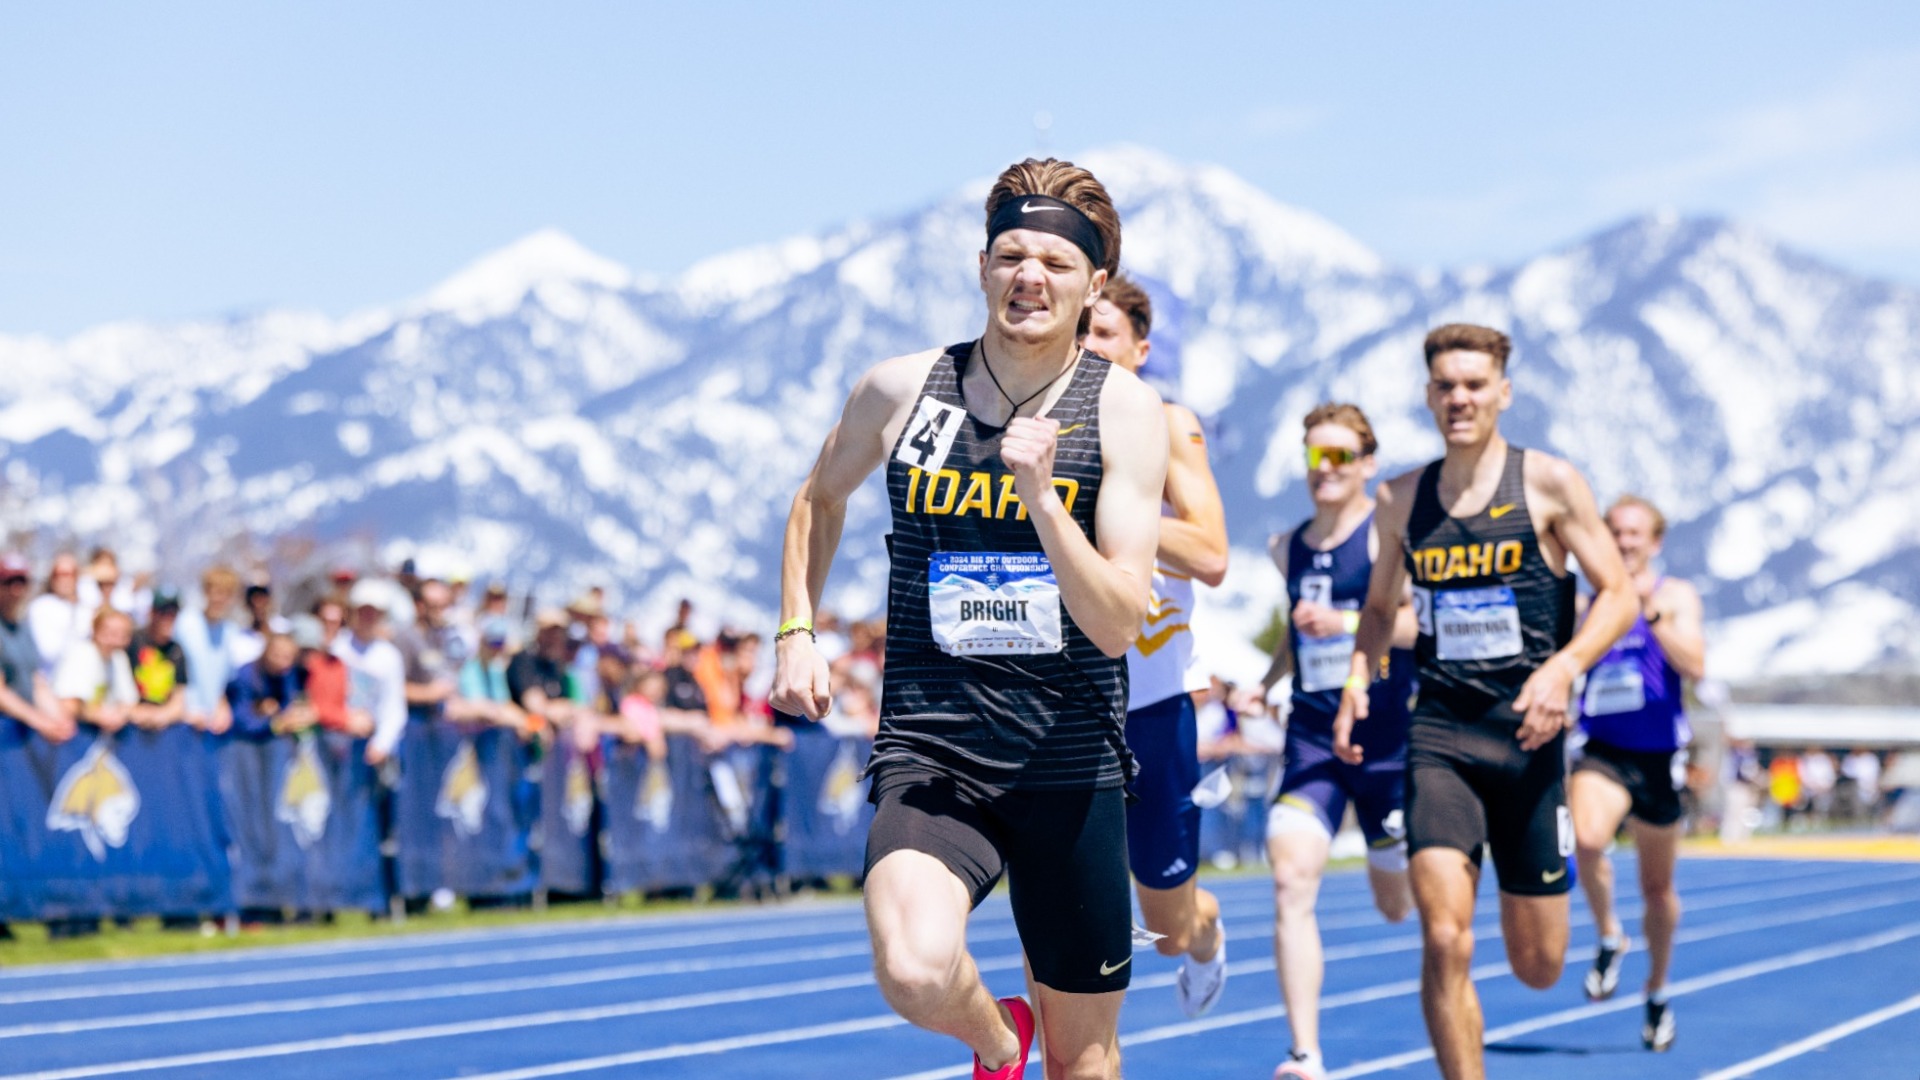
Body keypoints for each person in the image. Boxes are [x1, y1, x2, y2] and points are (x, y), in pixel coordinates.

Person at [771, 157, 1165, 1080]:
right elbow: (816, 499)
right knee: (911, 966)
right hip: (933, 747)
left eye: (1057, 264)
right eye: (1011, 256)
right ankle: (997, 1041)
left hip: (1067, 762)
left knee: (1088, 1063)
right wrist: (797, 627)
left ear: (1093, 284)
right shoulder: (902, 389)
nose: (1031, 277)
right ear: (982, 266)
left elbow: (1114, 623)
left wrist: (1041, 495)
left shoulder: (1123, 413)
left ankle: (1042, 1047)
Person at [1333, 324, 1637, 1080]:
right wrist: (1354, 682)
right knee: (1445, 939)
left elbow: (1621, 595)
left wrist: (1564, 669)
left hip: (1529, 741)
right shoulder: (1401, 498)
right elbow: (1377, 611)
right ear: (1429, 395)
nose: (1459, 398)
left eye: (1474, 384)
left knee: (1539, 964)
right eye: (1445, 385)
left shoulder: (1550, 484)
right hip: (1440, 737)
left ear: (1503, 391)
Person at [1252, 404, 1418, 1080]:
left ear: (1366, 464)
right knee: (1290, 877)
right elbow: (1300, 637)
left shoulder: (1386, 538)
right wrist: (1266, 680)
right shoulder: (1284, 546)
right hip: (1313, 740)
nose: (1325, 470)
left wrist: (1347, 619)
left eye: (1340, 457)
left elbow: (1414, 625)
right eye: (1315, 456)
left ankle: (1391, 850)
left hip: (1388, 744)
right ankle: (1304, 1054)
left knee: (1396, 901)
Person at [1084, 272, 1230, 1016]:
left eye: (1103, 334)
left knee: (1167, 926)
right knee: (1062, 912)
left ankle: (1204, 933)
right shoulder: (1035, 430)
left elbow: (1210, 553)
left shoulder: (1171, 423)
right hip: (1066, 702)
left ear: (1140, 349)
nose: (1086, 347)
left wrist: (1108, 501)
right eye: (1078, 332)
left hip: (1155, 704)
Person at [1568, 494, 1704, 1052]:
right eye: (1614, 532)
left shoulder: (1674, 595)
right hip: (1602, 747)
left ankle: (1656, 989)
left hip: (1656, 757)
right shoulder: (1587, 600)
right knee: (1586, 838)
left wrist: (1648, 614)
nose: (1623, 542)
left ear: (1654, 542)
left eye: (1633, 534)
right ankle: (1608, 934)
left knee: (1658, 889)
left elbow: (1696, 663)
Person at [0, 553, 73, 940]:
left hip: (22, 743)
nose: (14, 591)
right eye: (7, 582)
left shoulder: (21, 626)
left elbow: (35, 680)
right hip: (5, 739)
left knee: (29, 825)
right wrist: (40, 720)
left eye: (20, 582)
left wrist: (59, 715)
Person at [334, 579, 407, 766]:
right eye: (362, 611)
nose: (367, 617)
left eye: (373, 613)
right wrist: (344, 720)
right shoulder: (337, 648)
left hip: (371, 742)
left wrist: (382, 743)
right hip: (337, 739)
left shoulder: (389, 655)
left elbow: (393, 705)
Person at [28, 551, 84, 678]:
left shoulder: (84, 608)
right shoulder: (40, 607)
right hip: (50, 680)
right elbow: (47, 651)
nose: (65, 579)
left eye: (70, 574)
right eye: (60, 574)